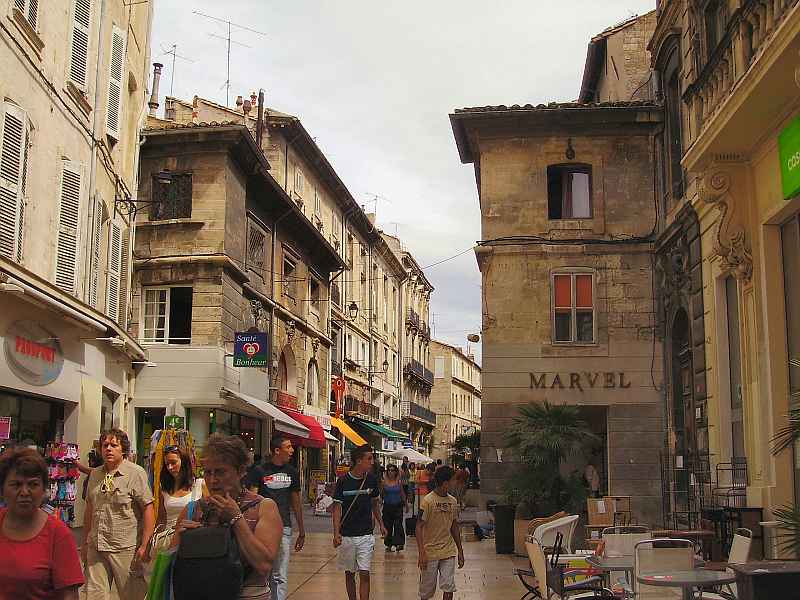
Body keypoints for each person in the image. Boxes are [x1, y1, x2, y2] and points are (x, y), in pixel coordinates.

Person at [172, 433, 282, 600]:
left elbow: (264, 565)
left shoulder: (263, 507)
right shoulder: (193, 509)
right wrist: (180, 540)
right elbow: (171, 564)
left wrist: (237, 519)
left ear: (240, 471)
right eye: (207, 472)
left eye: (220, 472)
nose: (212, 480)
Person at [0, 447, 84, 599]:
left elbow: (69, 595)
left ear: (44, 489)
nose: (24, 492)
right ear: (3, 489)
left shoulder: (58, 534)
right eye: (16, 485)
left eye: (33, 485)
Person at [82, 428, 155, 600]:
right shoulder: (95, 475)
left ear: (123, 449)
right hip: (97, 546)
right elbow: (89, 509)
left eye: (113, 445)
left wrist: (145, 545)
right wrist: (85, 542)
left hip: (125, 548)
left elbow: (148, 508)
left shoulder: (135, 473)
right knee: (94, 596)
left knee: (132, 596)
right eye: (105, 445)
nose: (108, 448)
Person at [248, 436, 305, 600]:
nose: (292, 450)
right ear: (277, 450)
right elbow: (253, 498)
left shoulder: (292, 472)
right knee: (263, 572)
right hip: (262, 529)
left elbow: (296, 502)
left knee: (280, 575)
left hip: (284, 528)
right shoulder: (260, 471)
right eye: (288, 447)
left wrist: (301, 529)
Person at [332, 444, 387, 600]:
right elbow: (337, 508)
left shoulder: (371, 480)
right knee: (349, 574)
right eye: (369, 459)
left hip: (366, 534)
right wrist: (336, 533)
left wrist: (381, 524)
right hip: (347, 535)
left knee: (365, 573)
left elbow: (375, 504)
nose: (372, 461)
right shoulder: (343, 481)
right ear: (358, 461)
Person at [416, 466, 465, 600]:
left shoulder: (452, 501)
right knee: (426, 591)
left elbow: (454, 526)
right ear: (445, 483)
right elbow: (419, 527)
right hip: (430, 552)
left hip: (448, 551)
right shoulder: (427, 501)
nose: (455, 483)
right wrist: (421, 553)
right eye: (453, 480)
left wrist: (460, 550)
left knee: (448, 586)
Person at [380, 464, 406, 552]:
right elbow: (381, 494)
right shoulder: (384, 482)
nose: (391, 472)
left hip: (397, 506)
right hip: (387, 506)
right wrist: (379, 503)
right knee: (388, 525)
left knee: (398, 524)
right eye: (389, 470)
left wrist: (405, 504)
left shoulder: (399, 482)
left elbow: (402, 493)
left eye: (393, 470)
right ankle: (388, 544)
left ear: (396, 472)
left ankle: (399, 543)